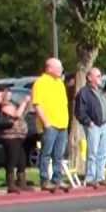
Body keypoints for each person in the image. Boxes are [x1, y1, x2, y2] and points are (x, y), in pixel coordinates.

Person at [31, 57, 71, 193]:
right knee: (46, 153)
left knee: (59, 155)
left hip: (62, 124)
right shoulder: (40, 82)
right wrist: (46, 123)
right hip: (50, 125)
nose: (61, 70)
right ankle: (44, 179)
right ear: (49, 68)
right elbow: (37, 104)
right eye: (58, 68)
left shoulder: (59, 83)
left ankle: (57, 179)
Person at [74, 68, 106, 189]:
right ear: (90, 78)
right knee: (93, 152)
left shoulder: (100, 91)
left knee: (103, 152)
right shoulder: (84, 92)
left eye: (100, 76)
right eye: (98, 76)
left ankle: (100, 177)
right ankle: (90, 177)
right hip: (93, 125)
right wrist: (88, 122)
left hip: (104, 125)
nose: (100, 78)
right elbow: (79, 111)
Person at [0, 86, 29, 193]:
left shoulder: (12, 104)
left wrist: (27, 104)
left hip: (19, 135)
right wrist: (24, 102)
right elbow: (16, 114)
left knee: (22, 159)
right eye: (7, 93)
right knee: (12, 159)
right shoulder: (4, 106)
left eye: (10, 93)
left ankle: (22, 181)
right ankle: (11, 183)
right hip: (10, 136)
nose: (10, 95)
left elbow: (22, 114)